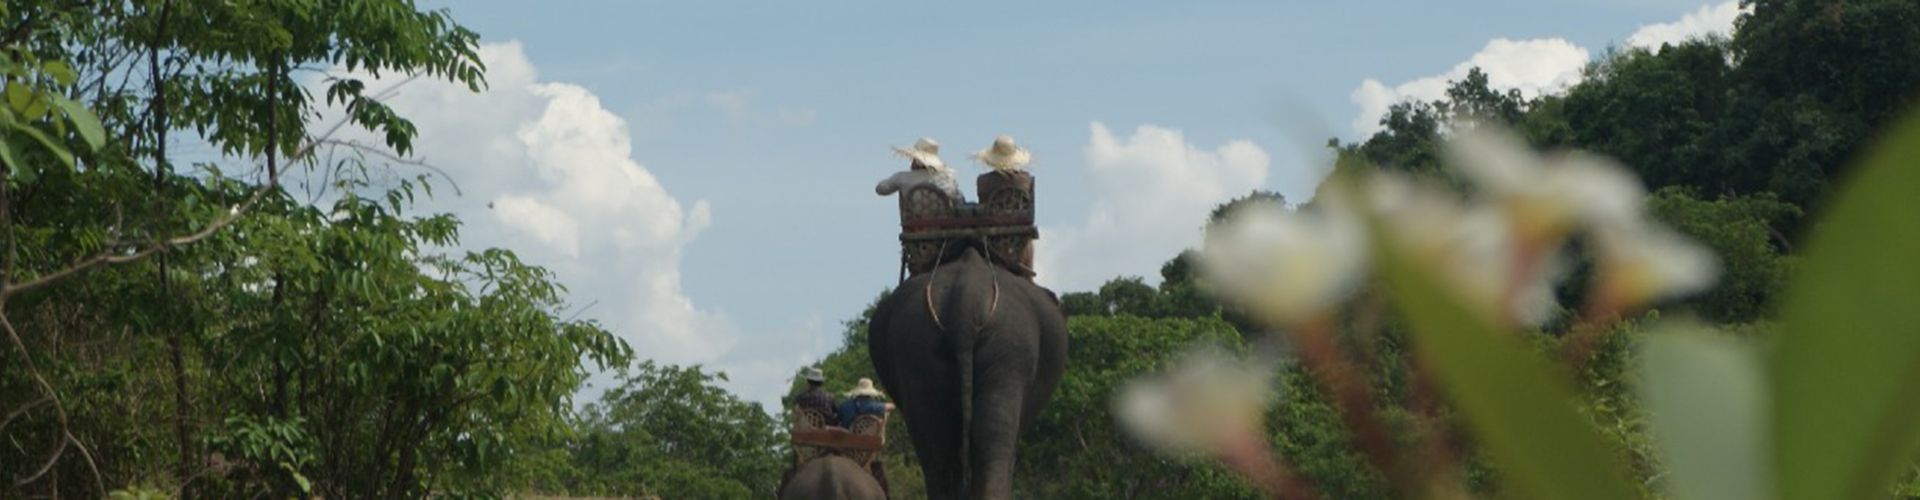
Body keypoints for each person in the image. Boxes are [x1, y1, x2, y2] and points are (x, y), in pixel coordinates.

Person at [876, 137, 965, 202]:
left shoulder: (902, 177)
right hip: (942, 223)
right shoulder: (947, 178)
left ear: (916, 160)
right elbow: (958, 198)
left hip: (914, 223)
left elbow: (880, 189)